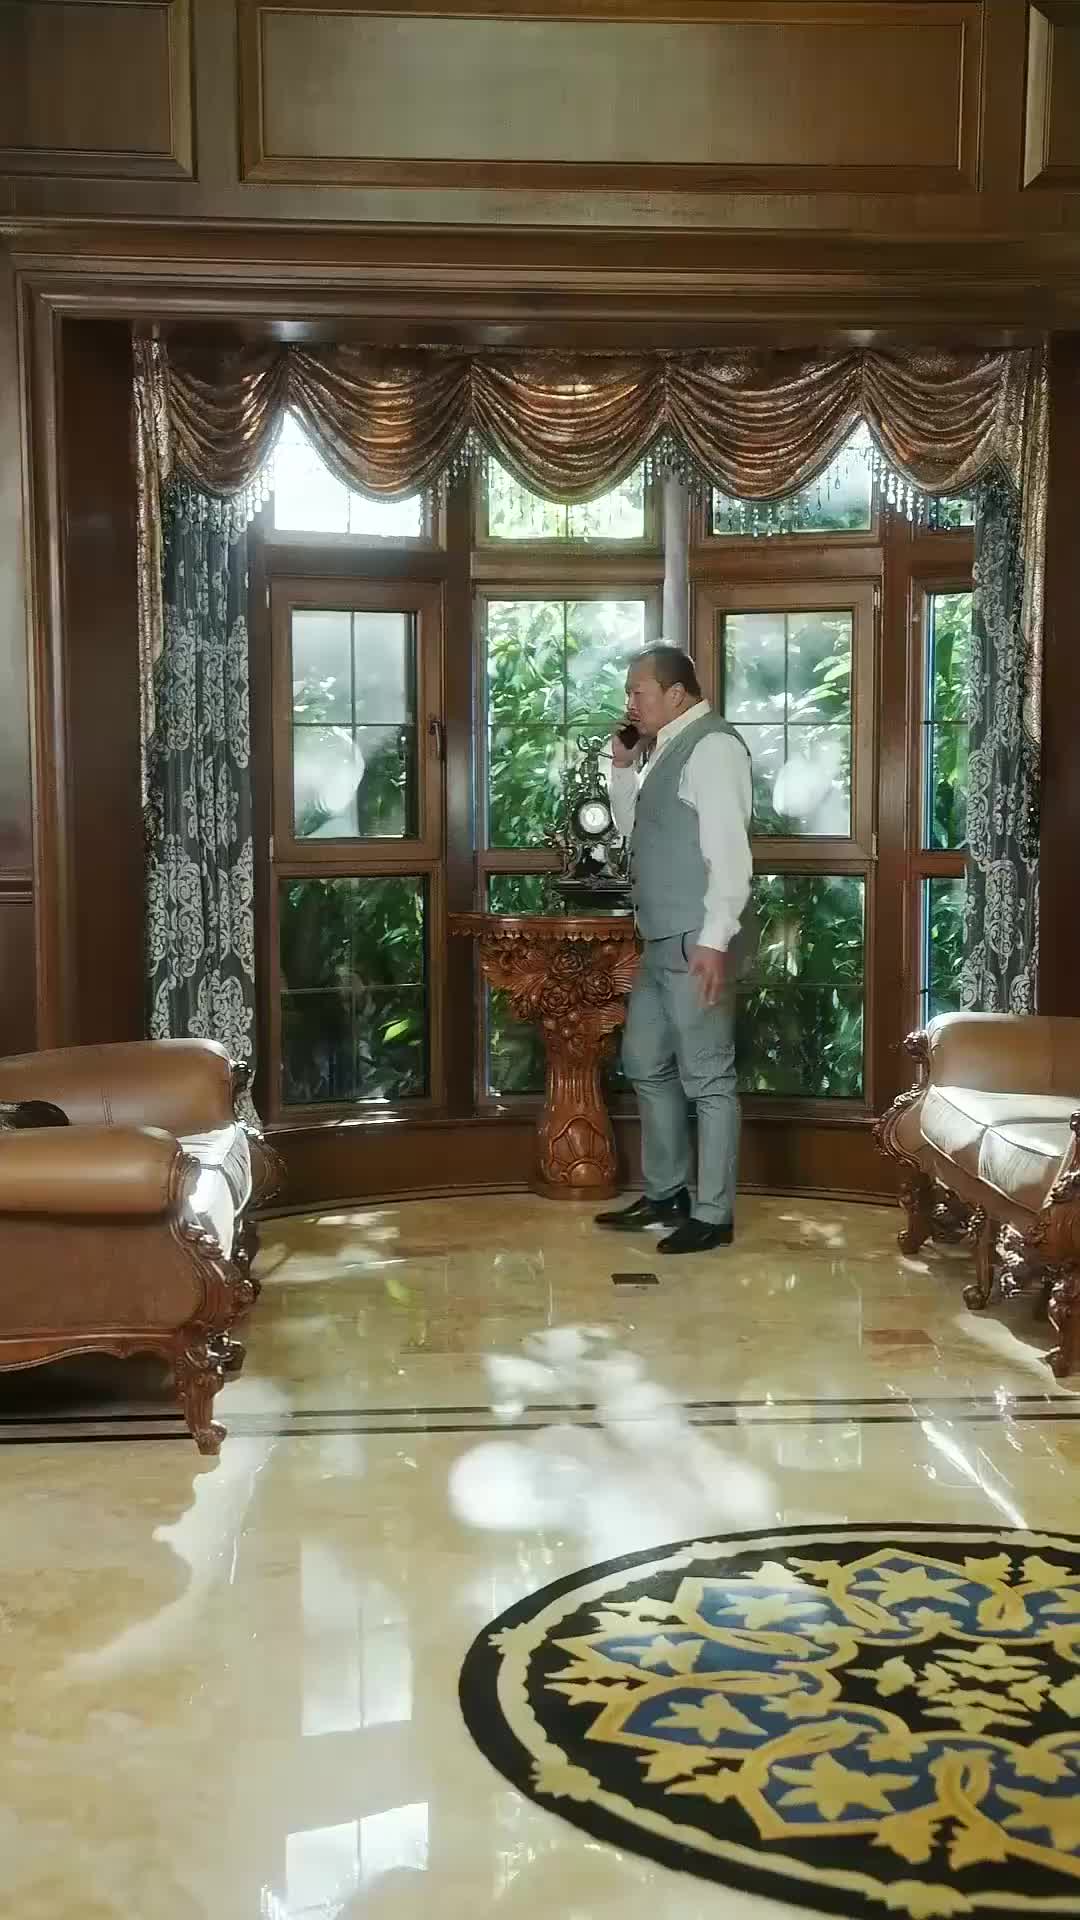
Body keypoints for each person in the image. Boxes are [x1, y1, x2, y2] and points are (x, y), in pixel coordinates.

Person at [595, 645, 752, 1255]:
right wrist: (622, 766)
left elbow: (729, 853)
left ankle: (714, 1214)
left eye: (638, 691)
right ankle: (666, 1195)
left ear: (676, 694)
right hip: (661, 938)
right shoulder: (664, 749)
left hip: (696, 939)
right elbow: (633, 829)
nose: (629, 702)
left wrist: (715, 941)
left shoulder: (713, 748)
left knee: (708, 1078)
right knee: (644, 1062)